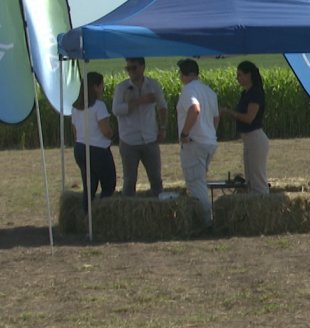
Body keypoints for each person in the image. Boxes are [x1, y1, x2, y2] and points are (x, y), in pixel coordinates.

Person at [112, 57, 167, 197]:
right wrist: (138, 101)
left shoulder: (153, 85)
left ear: (142, 67)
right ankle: (127, 207)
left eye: (134, 68)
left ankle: (158, 205)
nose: (131, 71)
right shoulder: (122, 87)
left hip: (150, 138)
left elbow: (162, 107)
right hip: (129, 140)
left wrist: (163, 128)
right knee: (129, 180)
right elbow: (116, 110)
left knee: (156, 179)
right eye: (128, 68)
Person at [176, 59, 220, 227]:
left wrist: (185, 132)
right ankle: (206, 219)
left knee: (196, 184)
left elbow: (194, 109)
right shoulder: (209, 91)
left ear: (184, 74)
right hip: (209, 142)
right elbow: (216, 118)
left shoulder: (189, 90)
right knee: (200, 181)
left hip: (194, 143)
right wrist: (210, 133)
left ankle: (206, 222)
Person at [220, 61, 269, 194]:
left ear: (249, 75)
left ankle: (262, 201)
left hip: (255, 137)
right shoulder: (245, 93)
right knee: (250, 178)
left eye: (240, 75)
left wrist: (230, 113)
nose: (237, 78)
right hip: (248, 138)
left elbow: (249, 118)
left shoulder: (255, 93)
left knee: (257, 178)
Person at [70, 72, 117, 211]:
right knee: (108, 184)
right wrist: (113, 134)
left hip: (80, 148)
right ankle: (102, 212)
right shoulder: (99, 106)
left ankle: (87, 215)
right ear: (95, 87)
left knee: (89, 187)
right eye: (102, 85)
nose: (103, 88)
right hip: (98, 150)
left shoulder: (75, 107)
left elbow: (74, 131)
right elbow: (105, 131)